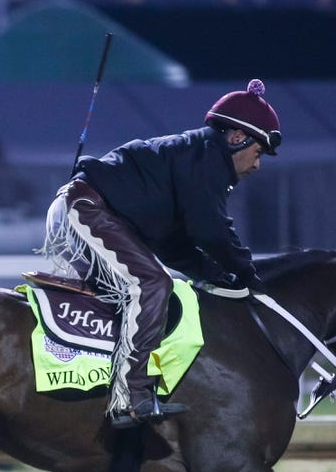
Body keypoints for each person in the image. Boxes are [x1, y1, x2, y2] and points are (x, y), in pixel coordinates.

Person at [41, 78, 282, 428]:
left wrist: (213, 274)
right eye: (258, 152)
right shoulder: (206, 160)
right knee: (152, 285)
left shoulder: (194, 159)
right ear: (236, 138)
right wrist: (246, 272)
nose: (257, 165)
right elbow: (210, 230)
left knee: (145, 286)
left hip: (90, 208)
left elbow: (176, 244)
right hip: (84, 208)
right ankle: (130, 397)